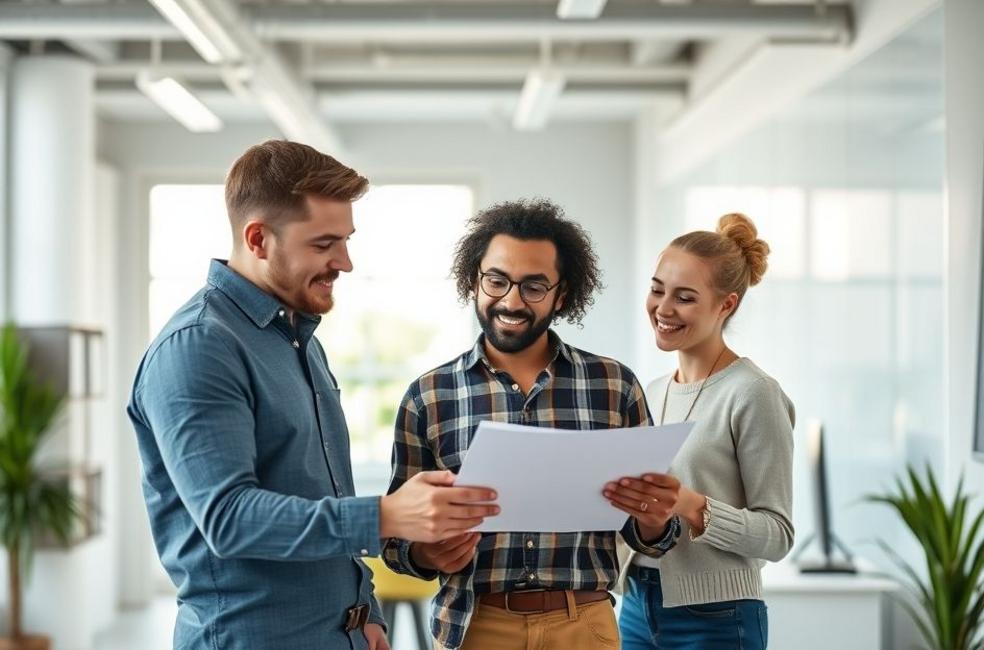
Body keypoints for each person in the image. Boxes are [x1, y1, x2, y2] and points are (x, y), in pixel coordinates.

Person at [127, 140, 498, 650]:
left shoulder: (299, 340)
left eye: (346, 240)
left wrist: (365, 611)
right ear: (258, 239)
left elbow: (323, 494)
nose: (344, 261)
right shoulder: (199, 347)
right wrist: (387, 514)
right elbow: (229, 518)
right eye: (324, 244)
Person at [382, 198, 683, 650]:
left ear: (562, 294)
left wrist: (657, 521)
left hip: (584, 624)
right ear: (475, 281)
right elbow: (396, 542)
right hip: (475, 626)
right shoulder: (428, 396)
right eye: (497, 281)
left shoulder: (614, 386)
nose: (512, 300)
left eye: (534, 287)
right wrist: (425, 552)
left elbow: (651, 535)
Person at [610, 213, 795, 650]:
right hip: (635, 605)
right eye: (657, 289)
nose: (663, 308)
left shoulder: (754, 393)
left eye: (685, 298)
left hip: (717, 617)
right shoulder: (650, 392)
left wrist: (692, 505)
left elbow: (778, 534)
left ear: (726, 305)